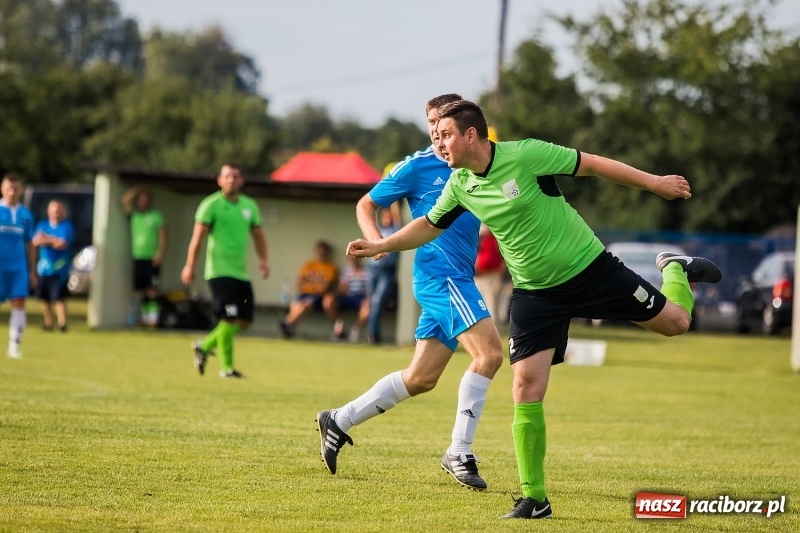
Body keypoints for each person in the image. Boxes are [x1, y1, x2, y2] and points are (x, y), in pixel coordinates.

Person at [346, 99, 722, 519]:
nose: (439, 142)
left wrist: (654, 184)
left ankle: (675, 268)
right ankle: (534, 498)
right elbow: (428, 226)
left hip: (590, 270)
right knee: (525, 385)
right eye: (436, 135)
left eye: (446, 134)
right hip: (534, 293)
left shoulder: (525, 154)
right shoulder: (459, 184)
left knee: (676, 322)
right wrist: (381, 244)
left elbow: (593, 164)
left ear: (472, 135)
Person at [316, 94, 504, 491]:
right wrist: (376, 242)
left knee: (421, 379)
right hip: (440, 276)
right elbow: (367, 202)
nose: (436, 131)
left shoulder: (473, 164)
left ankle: (339, 419)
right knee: (488, 355)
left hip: (458, 276)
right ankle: (459, 451)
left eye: (442, 123)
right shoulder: (417, 166)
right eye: (431, 124)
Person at [181, 163, 270, 378]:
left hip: (241, 272)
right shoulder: (210, 205)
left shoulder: (250, 206)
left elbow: (258, 235)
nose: (231, 179)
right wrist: (190, 264)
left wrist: (264, 260)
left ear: (242, 180)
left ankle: (204, 345)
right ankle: (227, 369)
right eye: (227, 176)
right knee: (229, 319)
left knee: (245, 321)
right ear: (219, 180)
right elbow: (198, 238)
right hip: (219, 271)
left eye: (236, 176)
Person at [0, 174, 36, 359]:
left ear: (21, 190)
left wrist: (32, 271)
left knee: (19, 302)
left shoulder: (26, 215)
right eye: (8, 188)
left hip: (18, 267)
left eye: (15, 189)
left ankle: (14, 346)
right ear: (2, 189)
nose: (12, 192)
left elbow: (30, 243)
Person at [121, 185, 167, 327]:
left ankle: (154, 320)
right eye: (141, 200)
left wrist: (159, 254)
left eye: (145, 199)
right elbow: (124, 200)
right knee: (142, 291)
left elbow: (164, 236)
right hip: (138, 257)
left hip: (152, 259)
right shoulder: (134, 216)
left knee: (152, 290)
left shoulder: (155, 216)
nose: (143, 202)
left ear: (149, 201)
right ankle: (144, 319)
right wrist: (138, 188)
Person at [279, 241, 338, 339]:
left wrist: (309, 282)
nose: (320, 254)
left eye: (323, 252)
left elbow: (324, 288)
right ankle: (288, 326)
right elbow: (299, 284)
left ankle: (287, 324)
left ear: (327, 253)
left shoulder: (330, 267)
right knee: (295, 305)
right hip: (304, 293)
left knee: (304, 305)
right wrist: (317, 283)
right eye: (319, 252)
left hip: (317, 296)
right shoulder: (308, 265)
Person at [32, 200, 75, 332]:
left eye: (58, 210)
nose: (56, 212)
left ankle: (62, 324)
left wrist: (47, 240)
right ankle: (48, 323)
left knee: (59, 297)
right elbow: (35, 241)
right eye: (54, 210)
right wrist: (53, 240)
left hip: (60, 269)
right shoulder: (42, 225)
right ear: (48, 211)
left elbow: (63, 244)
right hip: (44, 269)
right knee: (45, 298)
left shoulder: (66, 226)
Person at [365, 208, 400, 344]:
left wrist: (395, 202)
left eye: (390, 217)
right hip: (373, 270)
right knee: (370, 303)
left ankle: (374, 335)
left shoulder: (395, 230)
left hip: (387, 271)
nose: (388, 219)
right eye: (385, 217)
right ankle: (371, 334)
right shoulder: (378, 231)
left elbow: (397, 217)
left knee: (378, 302)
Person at [473, 224, 506, 329]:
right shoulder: (479, 239)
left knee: (492, 312)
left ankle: (494, 342)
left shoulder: (496, 238)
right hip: (477, 277)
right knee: (478, 312)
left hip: (492, 276)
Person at [335, 254, 370, 342]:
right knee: (329, 301)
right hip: (348, 296)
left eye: (356, 258)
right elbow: (341, 287)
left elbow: (370, 288)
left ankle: (355, 330)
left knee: (367, 307)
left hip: (361, 297)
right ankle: (339, 326)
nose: (354, 260)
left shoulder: (367, 271)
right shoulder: (346, 271)